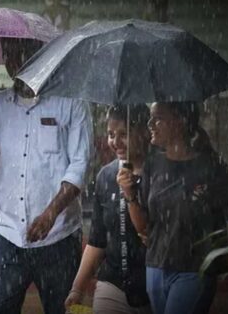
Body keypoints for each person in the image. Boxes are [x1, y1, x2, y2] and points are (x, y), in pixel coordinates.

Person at [0, 38, 93, 314]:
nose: (14, 61)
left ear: (41, 55)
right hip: (8, 233)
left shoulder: (71, 103)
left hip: (59, 236)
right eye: (8, 53)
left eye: (23, 53)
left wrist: (50, 214)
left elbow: (80, 166)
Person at [118, 102, 228, 314]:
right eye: (150, 118)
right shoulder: (153, 165)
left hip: (194, 268)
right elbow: (144, 228)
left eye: (158, 118)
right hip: (156, 266)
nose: (150, 125)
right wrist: (130, 196)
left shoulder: (212, 167)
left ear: (180, 122)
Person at [65, 104, 152, 314]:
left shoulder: (159, 172)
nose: (115, 142)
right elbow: (97, 241)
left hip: (154, 283)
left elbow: (152, 233)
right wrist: (77, 288)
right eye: (111, 134)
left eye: (124, 134)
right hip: (112, 284)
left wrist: (132, 194)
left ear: (144, 132)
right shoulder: (105, 176)